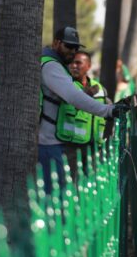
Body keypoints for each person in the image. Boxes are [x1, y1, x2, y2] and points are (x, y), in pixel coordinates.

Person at [39, 27, 126, 190]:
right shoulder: (51, 66)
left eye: (75, 48)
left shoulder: (55, 65)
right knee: (56, 195)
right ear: (56, 43)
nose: (72, 51)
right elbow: (74, 97)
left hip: (59, 143)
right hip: (48, 143)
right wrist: (108, 111)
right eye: (68, 46)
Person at [62, 50, 109, 182]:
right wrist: (84, 95)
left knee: (90, 183)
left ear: (88, 66)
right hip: (71, 146)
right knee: (70, 183)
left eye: (78, 63)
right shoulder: (65, 85)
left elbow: (107, 110)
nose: (73, 66)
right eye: (71, 63)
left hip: (93, 147)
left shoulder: (99, 88)